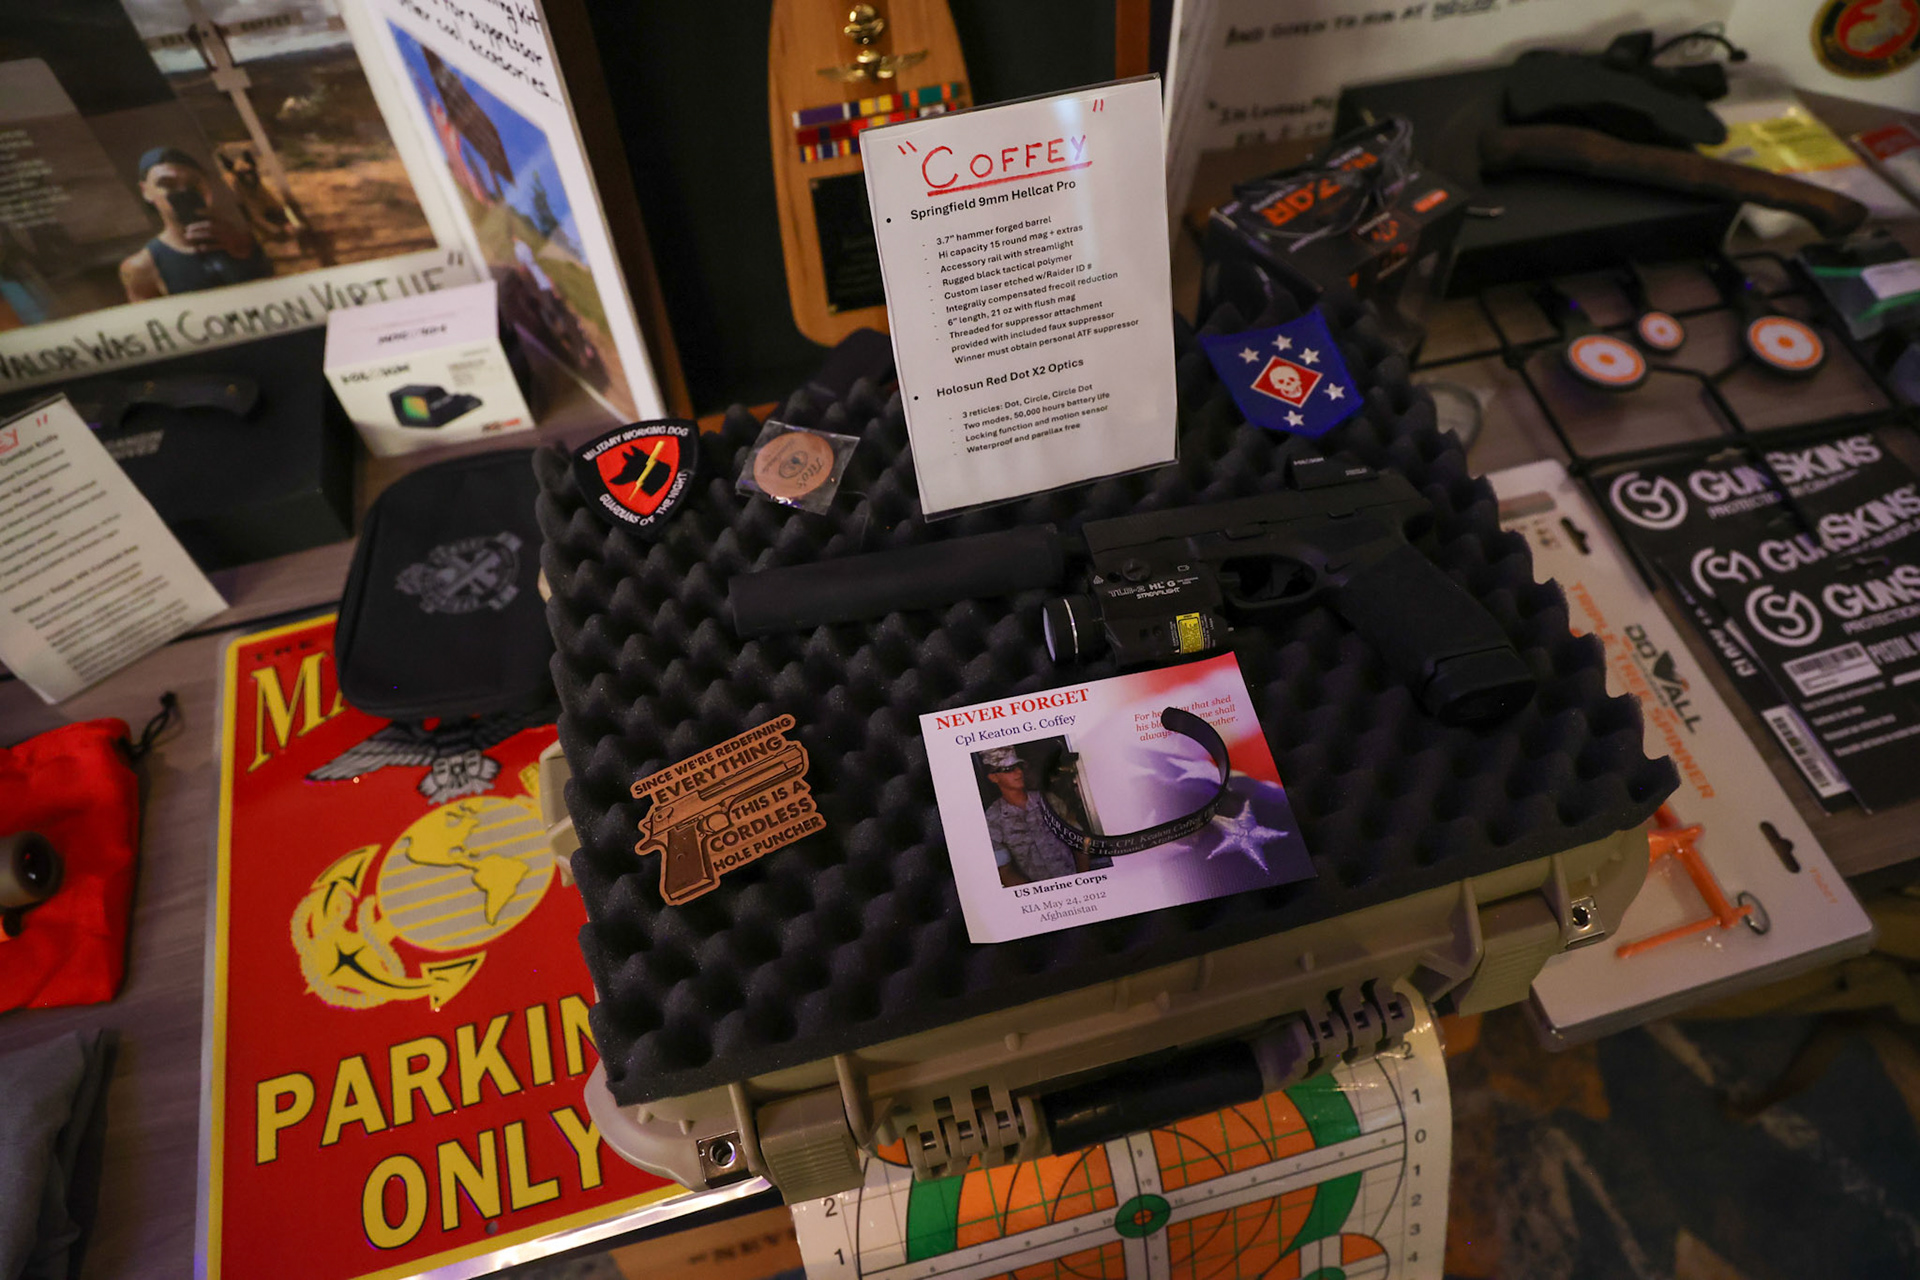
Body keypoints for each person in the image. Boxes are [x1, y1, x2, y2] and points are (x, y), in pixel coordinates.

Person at [119, 147, 273, 301]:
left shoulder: (245, 240)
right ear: (146, 191)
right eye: (167, 184)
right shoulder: (142, 267)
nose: (183, 192)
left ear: (207, 185)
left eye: (193, 183)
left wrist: (246, 254)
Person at [979, 747, 1088, 885]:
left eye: (1018, 766)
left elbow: (1079, 842)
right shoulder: (993, 819)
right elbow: (1004, 871)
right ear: (993, 777)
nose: (1018, 772)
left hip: (1074, 879)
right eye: (1008, 769)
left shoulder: (1049, 801)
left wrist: (1083, 879)